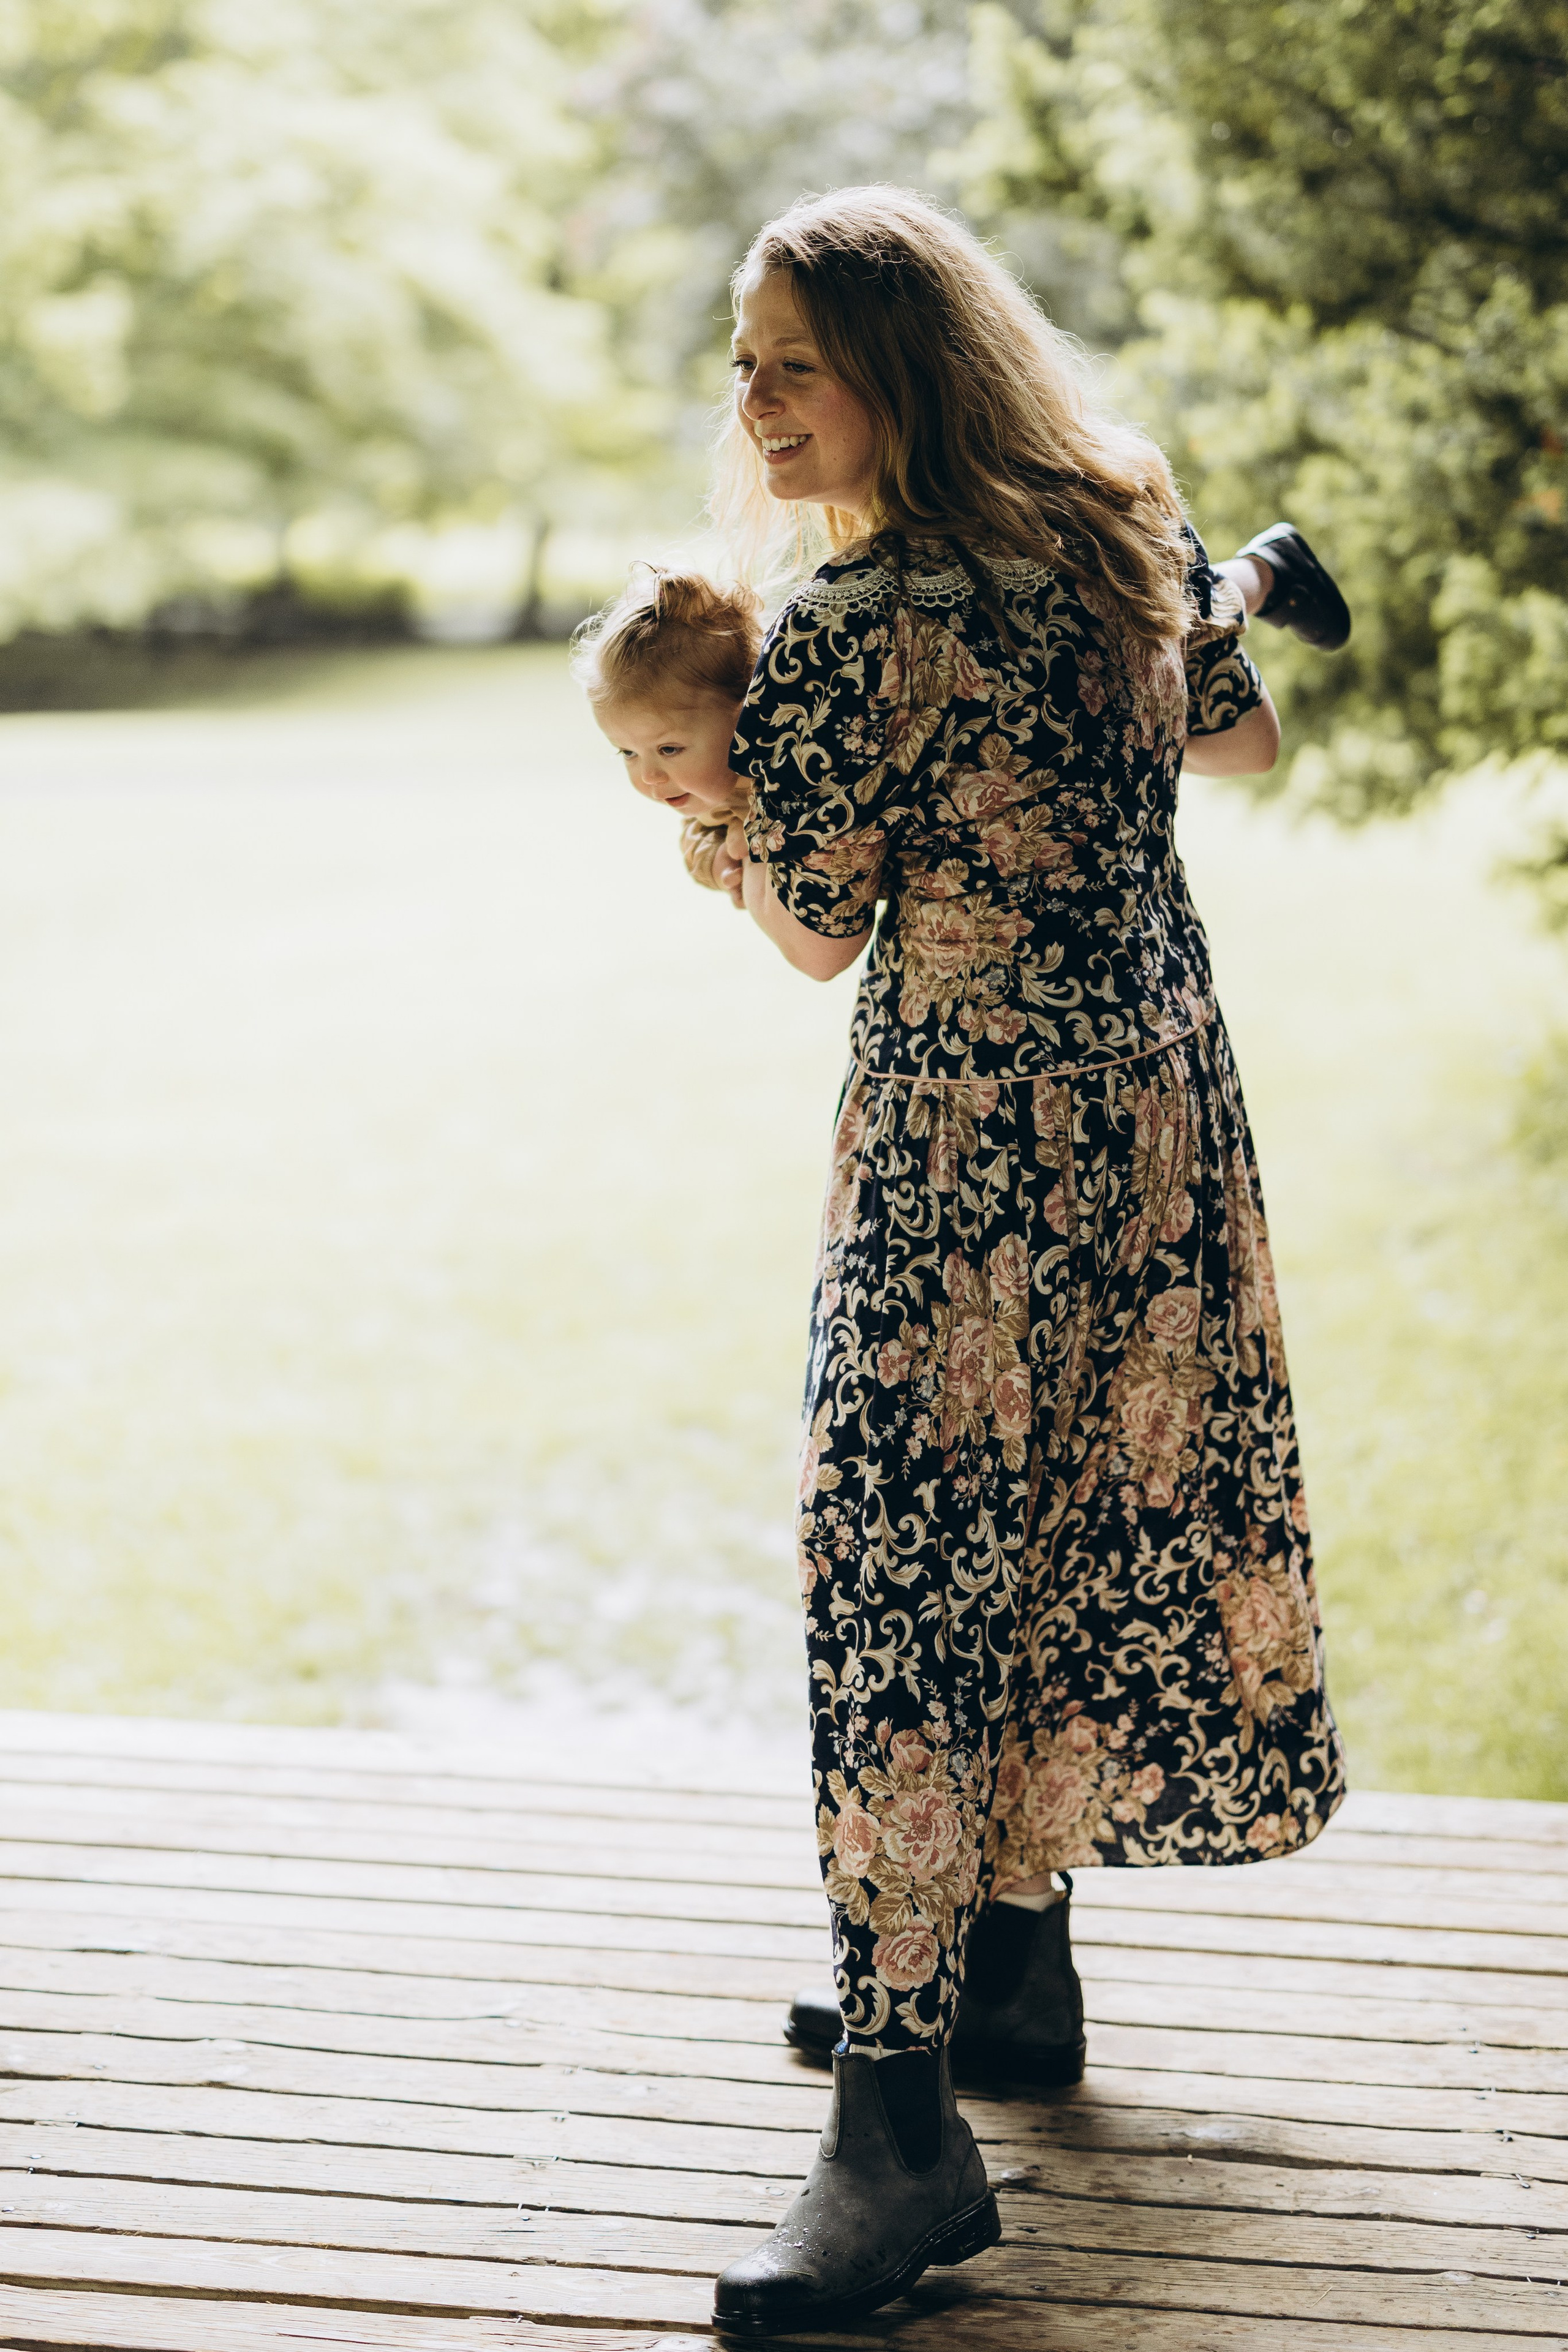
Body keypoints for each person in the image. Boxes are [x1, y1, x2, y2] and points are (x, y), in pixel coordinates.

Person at [575, 184, 1350, 2340]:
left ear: (899, 370)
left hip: (971, 1150)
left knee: (907, 1563)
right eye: (744, 361)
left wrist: (699, 812)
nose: (753, 400)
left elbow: (817, 930)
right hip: (1163, 1126)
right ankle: (1010, 1972)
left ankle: (901, 2141)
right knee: (1085, 1518)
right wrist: (1207, 618)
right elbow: (1246, 739)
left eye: (787, 361)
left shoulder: (853, 625)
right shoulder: (1114, 533)